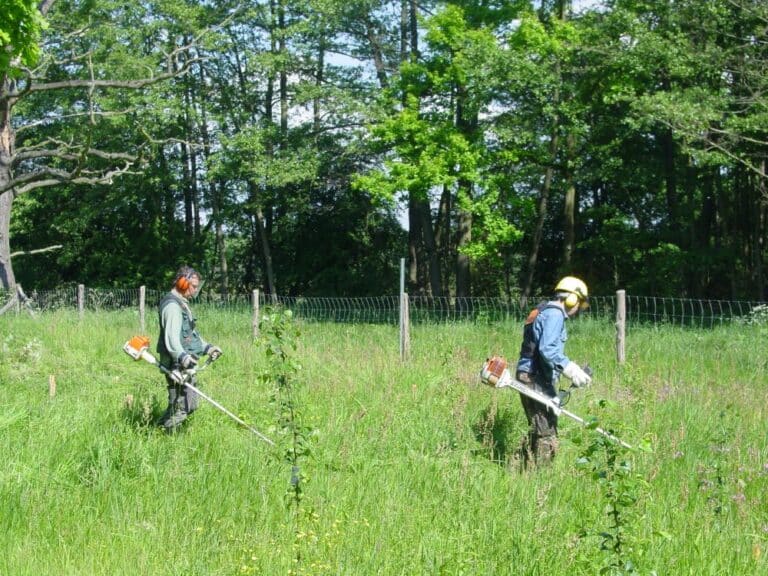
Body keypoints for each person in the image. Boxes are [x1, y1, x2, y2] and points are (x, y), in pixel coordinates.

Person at [515, 276, 592, 467]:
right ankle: (540, 479)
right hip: (535, 377)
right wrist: (570, 368)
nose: (577, 310)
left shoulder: (542, 311)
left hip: (531, 375)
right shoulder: (555, 315)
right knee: (546, 433)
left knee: (539, 427)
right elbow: (548, 349)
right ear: (571, 298)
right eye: (578, 303)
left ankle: (520, 469)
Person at [156, 266, 222, 432]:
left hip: (184, 362)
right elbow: (171, 338)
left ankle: (158, 430)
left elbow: (191, 334)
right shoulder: (172, 306)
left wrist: (208, 348)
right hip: (175, 364)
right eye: (193, 286)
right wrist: (182, 357)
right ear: (182, 284)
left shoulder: (182, 304)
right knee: (184, 406)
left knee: (185, 404)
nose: (195, 291)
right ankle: (162, 433)